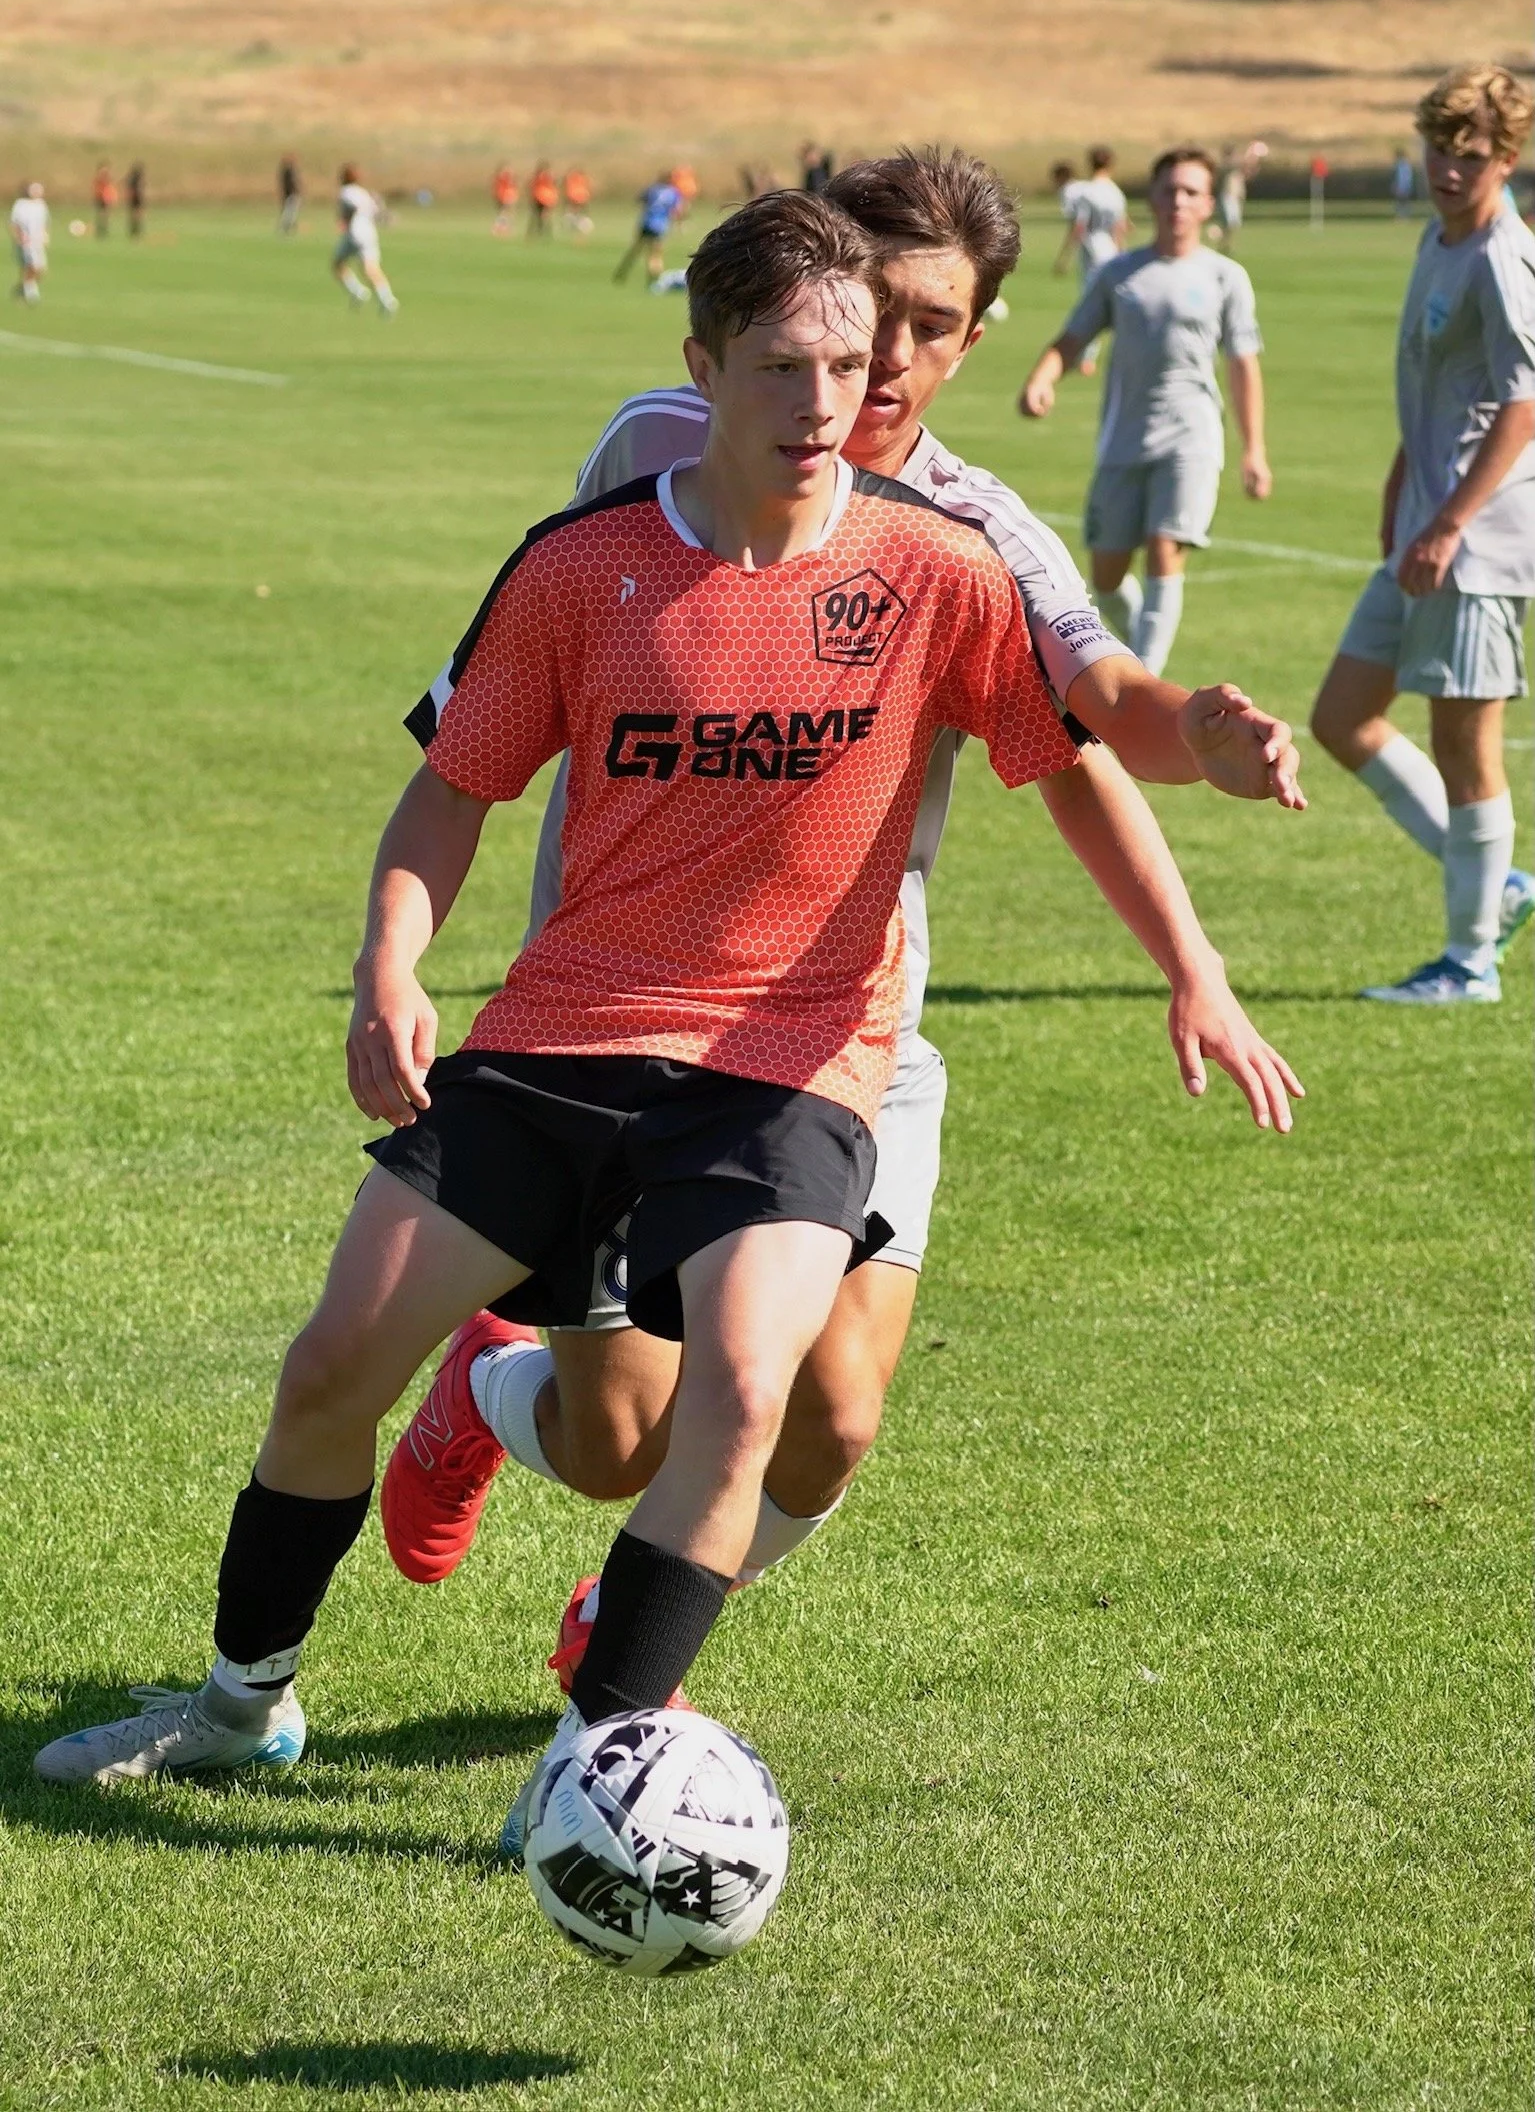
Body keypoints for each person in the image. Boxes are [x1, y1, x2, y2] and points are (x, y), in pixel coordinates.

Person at [33, 190, 1296, 1800]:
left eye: (858, 363)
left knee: (759, 1402)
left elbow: (1088, 725)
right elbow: (453, 785)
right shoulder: (585, 559)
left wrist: (1207, 743)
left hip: (795, 1061)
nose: (832, 398)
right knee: (335, 1368)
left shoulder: (947, 561)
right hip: (564, 1031)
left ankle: (596, 1761)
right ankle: (236, 1704)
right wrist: (389, 965)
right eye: (788, 365)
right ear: (702, 366)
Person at [382, 151, 1304, 1692]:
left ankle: (629, 1663)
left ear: (971, 340)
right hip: (614, 1019)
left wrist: (1192, 916)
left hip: (844, 1030)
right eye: (864, 309)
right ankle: (483, 1398)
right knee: (613, 1435)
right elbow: (547, 652)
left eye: (928, 326)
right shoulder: (661, 443)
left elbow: (1089, 730)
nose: (880, 360)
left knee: (834, 1411)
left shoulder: (973, 526)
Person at [1311, 65, 1535, 1004]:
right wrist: (1405, 481)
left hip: (1475, 545)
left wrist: (1446, 519)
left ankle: (1468, 961)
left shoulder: (1499, 255)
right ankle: (1500, 888)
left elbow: (1524, 402)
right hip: (1424, 527)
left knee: (1463, 748)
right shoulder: (1436, 238)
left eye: (1469, 154)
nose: (1448, 168)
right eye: (1438, 148)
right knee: (1340, 719)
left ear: (1507, 158)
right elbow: (1435, 390)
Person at [1019, 145, 1272, 679]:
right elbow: (1073, 337)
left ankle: (1144, 685)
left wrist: (1254, 449)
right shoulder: (1119, 274)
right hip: (1124, 439)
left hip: (1193, 437)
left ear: (1207, 205)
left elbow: (1243, 366)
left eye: (1191, 192)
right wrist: (1043, 378)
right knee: (1106, 577)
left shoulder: (1227, 278)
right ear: (1152, 198)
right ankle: (1136, 654)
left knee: (1165, 548)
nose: (1178, 201)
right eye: (1169, 190)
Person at [1051, 146, 1127, 375]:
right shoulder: (1115, 192)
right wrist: (1122, 254)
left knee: (1092, 305)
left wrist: (1065, 256)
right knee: (1113, 303)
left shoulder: (1087, 192)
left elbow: (1079, 225)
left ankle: (1086, 359)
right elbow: (1120, 227)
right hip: (1112, 252)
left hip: (1092, 252)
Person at [332, 165, 398, 316]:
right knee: (371, 269)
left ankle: (358, 291)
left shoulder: (346, 192)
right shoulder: (363, 192)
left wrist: (345, 221)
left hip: (354, 234)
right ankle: (387, 300)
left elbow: (352, 207)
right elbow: (375, 210)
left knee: (337, 264)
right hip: (369, 233)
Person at [614, 172, 682, 286]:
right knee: (655, 254)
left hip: (647, 223)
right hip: (660, 226)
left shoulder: (652, 189)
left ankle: (622, 271)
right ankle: (654, 280)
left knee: (636, 248)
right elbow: (677, 210)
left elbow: (639, 199)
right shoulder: (674, 193)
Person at [10, 180, 48, 304]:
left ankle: (23, 288)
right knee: (31, 266)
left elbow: (44, 223)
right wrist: (18, 237)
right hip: (27, 242)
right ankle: (31, 295)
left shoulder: (41, 205)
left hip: (38, 241)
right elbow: (15, 223)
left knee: (41, 269)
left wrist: (46, 236)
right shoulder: (21, 205)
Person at [528, 163, 557, 238]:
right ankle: (538, 232)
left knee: (542, 216)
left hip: (545, 199)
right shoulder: (540, 177)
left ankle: (543, 233)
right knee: (539, 216)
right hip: (540, 198)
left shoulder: (543, 177)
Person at [562, 166, 592, 237]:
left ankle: (577, 226)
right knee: (578, 213)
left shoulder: (571, 178)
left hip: (576, 197)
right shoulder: (582, 178)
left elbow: (569, 188)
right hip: (580, 197)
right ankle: (578, 226)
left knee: (576, 213)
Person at [278, 154, 302, 235]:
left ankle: (290, 226)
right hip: (290, 194)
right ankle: (286, 227)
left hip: (291, 194)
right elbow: (290, 184)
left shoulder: (289, 171)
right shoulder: (288, 171)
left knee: (291, 212)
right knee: (288, 212)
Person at [492, 164, 518, 237]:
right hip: (505, 195)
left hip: (507, 195)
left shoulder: (504, 177)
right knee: (504, 212)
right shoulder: (503, 178)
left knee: (505, 212)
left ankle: (503, 227)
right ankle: (500, 227)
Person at [92, 160, 116, 239]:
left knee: (105, 215)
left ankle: (104, 230)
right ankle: (100, 231)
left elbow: (109, 186)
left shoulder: (107, 177)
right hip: (100, 197)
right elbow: (97, 187)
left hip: (106, 197)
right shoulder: (99, 178)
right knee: (101, 214)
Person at [1392, 146, 1417, 220]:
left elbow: (1403, 177)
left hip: (1403, 185)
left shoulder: (1403, 165)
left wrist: (1400, 186)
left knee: (1403, 201)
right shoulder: (1402, 164)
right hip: (1403, 185)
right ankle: (1401, 215)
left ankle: (1404, 215)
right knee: (1401, 201)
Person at [125, 162, 145, 239]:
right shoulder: (136, 180)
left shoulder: (133, 179)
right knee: (136, 216)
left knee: (136, 216)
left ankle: (136, 232)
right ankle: (135, 232)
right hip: (136, 199)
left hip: (136, 199)